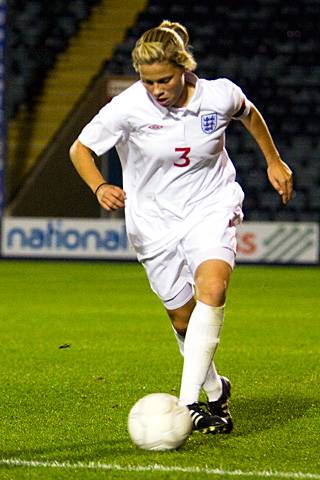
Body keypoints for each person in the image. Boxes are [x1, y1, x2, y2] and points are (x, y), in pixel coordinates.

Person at [69, 20, 293, 434]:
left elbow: (249, 113)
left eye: (164, 80)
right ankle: (215, 391)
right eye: (148, 81)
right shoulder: (128, 107)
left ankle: (187, 402)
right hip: (152, 222)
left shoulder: (218, 94)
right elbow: (80, 148)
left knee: (213, 287)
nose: (156, 90)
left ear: (184, 68)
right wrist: (99, 185)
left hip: (210, 203)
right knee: (183, 321)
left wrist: (273, 160)